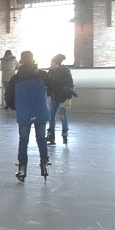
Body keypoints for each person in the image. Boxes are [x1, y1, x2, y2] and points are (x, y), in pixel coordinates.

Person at [5, 51, 50, 182]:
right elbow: (53, 87)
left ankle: (22, 168)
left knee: (23, 140)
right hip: (40, 110)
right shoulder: (43, 75)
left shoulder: (15, 78)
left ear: (21, 61)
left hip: (24, 112)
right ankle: (44, 164)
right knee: (41, 138)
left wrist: (14, 106)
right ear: (33, 59)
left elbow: (8, 96)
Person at [45, 54, 77, 145]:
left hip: (64, 97)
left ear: (55, 62)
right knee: (57, 115)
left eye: (52, 62)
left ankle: (57, 135)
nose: (50, 64)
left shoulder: (63, 71)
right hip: (58, 97)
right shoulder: (53, 72)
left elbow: (69, 85)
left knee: (59, 115)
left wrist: (69, 97)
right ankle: (57, 135)